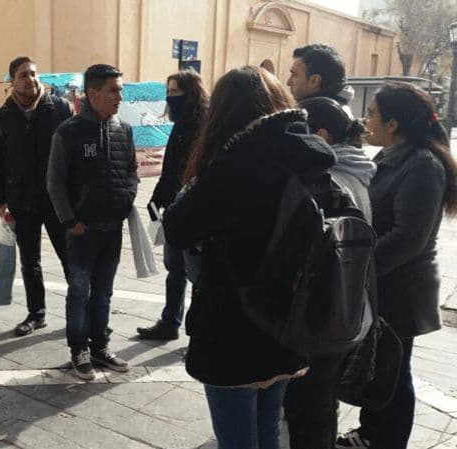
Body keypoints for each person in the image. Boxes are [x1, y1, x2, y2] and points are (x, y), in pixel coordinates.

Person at [163, 66, 329, 449]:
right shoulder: (310, 156)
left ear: (223, 113)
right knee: (268, 429)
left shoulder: (234, 166)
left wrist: (197, 181)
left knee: (237, 439)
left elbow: (177, 227)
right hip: (291, 321)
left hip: (234, 327)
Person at [336, 83, 457, 449]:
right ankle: (371, 431)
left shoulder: (421, 164)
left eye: (371, 113)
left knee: (395, 366)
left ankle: (386, 440)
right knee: (382, 361)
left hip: (403, 285)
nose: (365, 119)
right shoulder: (392, 156)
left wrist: (360, 267)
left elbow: (410, 236)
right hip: (384, 280)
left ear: (393, 123)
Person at [283, 96, 375, 449]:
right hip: (350, 310)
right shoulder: (360, 172)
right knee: (321, 403)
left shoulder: (328, 179)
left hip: (323, 311)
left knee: (309, 407)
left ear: (319, 134)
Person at [48, 64, 138, 380]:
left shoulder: (123, 130)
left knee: (103, 292)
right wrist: (69, 220)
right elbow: (55, 181)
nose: (119, 96)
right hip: (81, 231)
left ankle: (100, 347)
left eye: (121, 90)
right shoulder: (68, 132)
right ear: (93, 93)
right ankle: (79, 350)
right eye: (114, 90)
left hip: (112, 229)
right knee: (79, 290)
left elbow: (131, 172)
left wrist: (127, 199)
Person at [0, 56, 74, 336]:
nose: (30, 79)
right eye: (23, 75)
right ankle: (36, 314)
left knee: (70, 257)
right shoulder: (2, 116)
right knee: (30, 261)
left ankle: (79, 310)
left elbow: (74, 154)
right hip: (22, 200)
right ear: (12, 80)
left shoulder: (59, 108)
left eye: (34, 73)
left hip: (58, 200)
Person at [137, 69, 208, 340]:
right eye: (168, 92)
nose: (170, 98)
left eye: (175, 92)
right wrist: (157, 200)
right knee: (174, 267)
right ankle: (170, 322)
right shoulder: (181, 122)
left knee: (196, 274)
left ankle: (198, 330)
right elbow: (171, 170)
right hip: (175, 207)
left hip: (194, 209)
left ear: (190, 92)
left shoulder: (203, 123)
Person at [287, 44, 354, 116]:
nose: (288, 82)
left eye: (294, 75)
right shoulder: (338, 113)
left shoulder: (318, 118)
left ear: (314, 81)